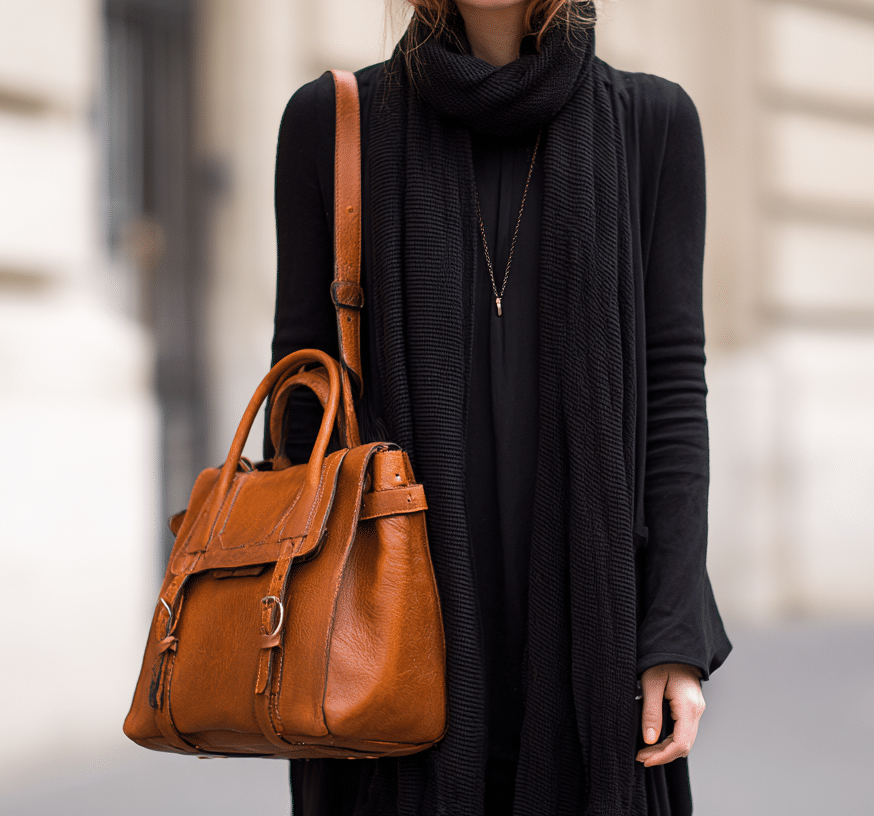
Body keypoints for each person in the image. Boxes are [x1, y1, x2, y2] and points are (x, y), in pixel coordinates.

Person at [267, 1, 731, 813]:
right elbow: (302, 401)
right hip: (389, 654)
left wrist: (674, 634)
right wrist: (314, 638)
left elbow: (673, 393)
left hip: (595, 649)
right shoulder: (333, 124)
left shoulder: (653, 125)